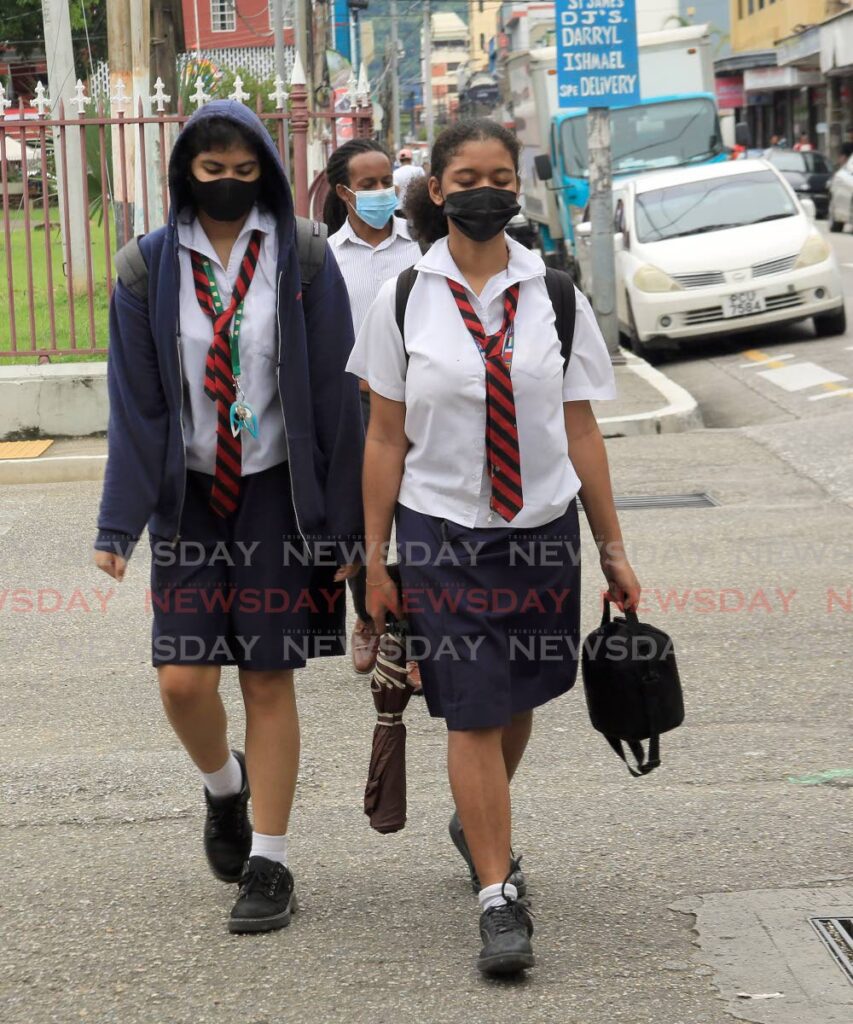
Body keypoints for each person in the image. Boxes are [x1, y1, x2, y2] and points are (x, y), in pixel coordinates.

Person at [347, 119, 641, 976]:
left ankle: (480, 815)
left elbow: (579, 425)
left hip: (542, 529)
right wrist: (373, 561)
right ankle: (494, 894)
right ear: (436, 191)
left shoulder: (554, 294)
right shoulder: (401, 296)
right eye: (466, 176)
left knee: (519, 698)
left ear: (518, 188)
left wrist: (612, 544)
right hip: (441, 533)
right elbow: (382, 437)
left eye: (501, 176)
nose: (486, 190)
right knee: (472, 708)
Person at [94, 100, 363, 934]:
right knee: (181, 683)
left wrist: (347, 528)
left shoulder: (306, 259)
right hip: (192, 504)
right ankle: (224, 788)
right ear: (184, 174)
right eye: (211, 170)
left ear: (269, 175)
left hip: (277, 498)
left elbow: (334, 402)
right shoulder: (147, 268)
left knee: (266, 678)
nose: (228, 184)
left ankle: (269, 864)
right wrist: (117, 527)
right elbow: (136, 407)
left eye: (245, 170)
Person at [323, 138, 422, 675]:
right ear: (345, 192)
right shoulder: (328, 257)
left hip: (421, 403)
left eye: (387, 181)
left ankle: (415, 633)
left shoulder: (423, 246)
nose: (382, 192)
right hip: (358, 408)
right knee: (369, 517)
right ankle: (369, 617)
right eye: (368, 185)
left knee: (422, 515)